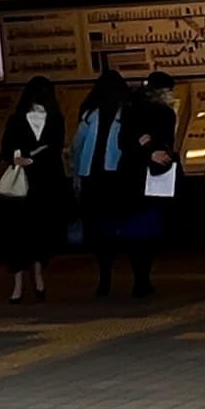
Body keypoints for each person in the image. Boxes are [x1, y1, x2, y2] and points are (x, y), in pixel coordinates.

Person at [107, 72, 178, 298]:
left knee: (134, 231)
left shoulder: (130, 110)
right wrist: (153, 152)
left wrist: (142, 145)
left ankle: (139, 277)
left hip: (130, 177)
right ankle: (143, 278)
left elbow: (124, 142)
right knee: (149, 230)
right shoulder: (165, 113)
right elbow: (167, 143)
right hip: (154, 177)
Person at [0, 77, 65, 302]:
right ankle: (28, 281)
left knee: (35, 233)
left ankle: (30, 279)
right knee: (22, 234)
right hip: (26, 184)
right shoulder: (20, 120)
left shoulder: (53, 119)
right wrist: (19, 158)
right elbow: (7, 147)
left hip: (41, 184)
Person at [72, 63, 132, 299]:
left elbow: (78, 145)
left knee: (96, 225)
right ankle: (118, 258)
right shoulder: (126, 112)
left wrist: (75, 173)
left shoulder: (89, 114)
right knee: (115, 221)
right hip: (115, 176)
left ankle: (104, 273)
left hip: (91, 176)